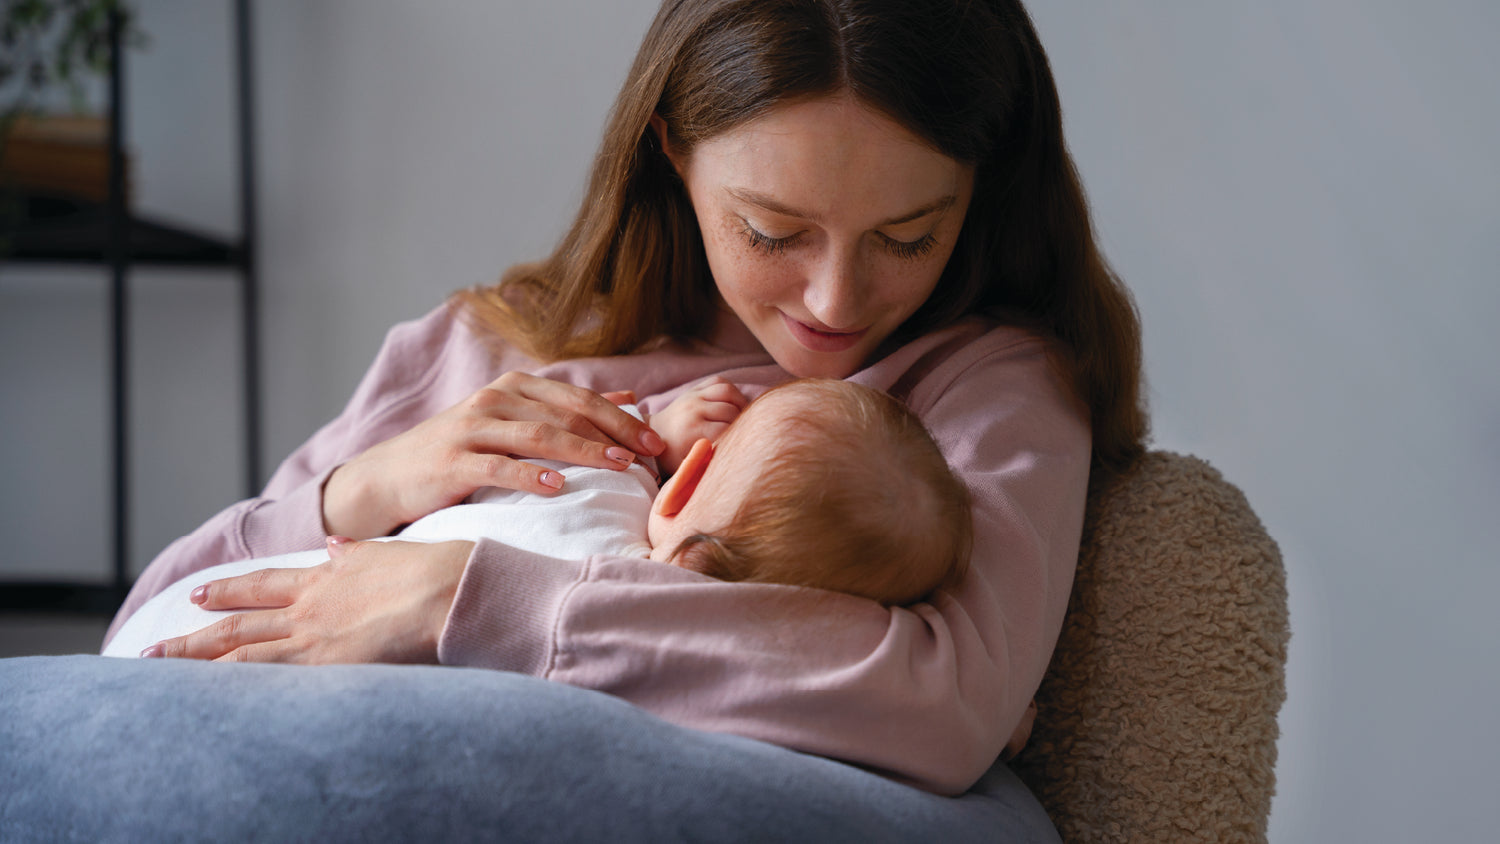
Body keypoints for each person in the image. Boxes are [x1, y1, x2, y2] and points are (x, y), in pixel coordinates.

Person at [105, 0, 1146, 799]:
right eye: (773, 231)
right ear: (672, 152)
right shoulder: (489, 345)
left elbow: (949, 701)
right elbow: (156, 623)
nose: (835, 300)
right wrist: (363, 487)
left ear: (983, 192)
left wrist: (461, 602)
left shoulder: (981, 390)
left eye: (908, 235)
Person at [105, 378, 971, 658]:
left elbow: (602, 457)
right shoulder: (651, 629)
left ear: (687, 476)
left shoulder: (594, 479)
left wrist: (658, 431)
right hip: (239, 623)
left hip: (195, 617)